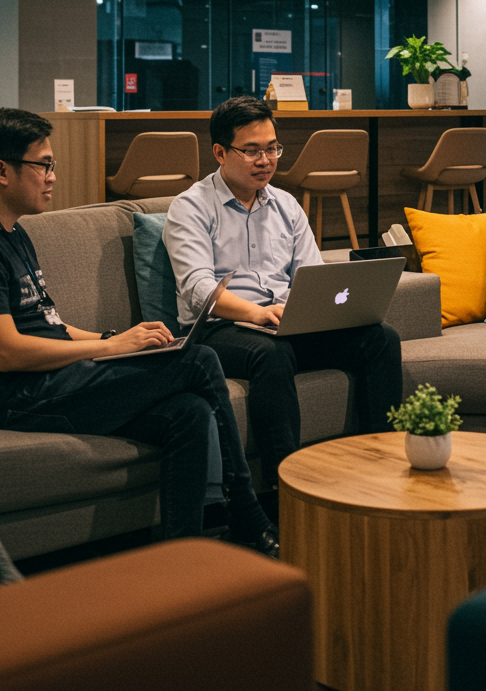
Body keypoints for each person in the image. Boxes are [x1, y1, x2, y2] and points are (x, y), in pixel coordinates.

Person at [0, 107, 277, 555]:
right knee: (200, 359)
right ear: (1, 171)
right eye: (44, 164)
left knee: (187, 411)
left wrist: (117, 339)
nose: (53, 175)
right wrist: (113, 350)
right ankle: (245, 509)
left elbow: (52, 326)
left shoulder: (13, 233)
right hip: (15, 398)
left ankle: (183, 557)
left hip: (52, 381)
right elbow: (7, 352)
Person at [163, 96, 403, 497]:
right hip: (219, 331)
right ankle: (283, 492)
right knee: (272, 354)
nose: (266, 160)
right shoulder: (191, 207)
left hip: (284, 322)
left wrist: (325, 307)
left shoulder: (286, 204)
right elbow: (198, 290)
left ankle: (383, 464)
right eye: (252, 150)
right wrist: (257, 314)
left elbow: (311, 276)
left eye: (272, 148)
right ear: (220, 152)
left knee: (380, 338)